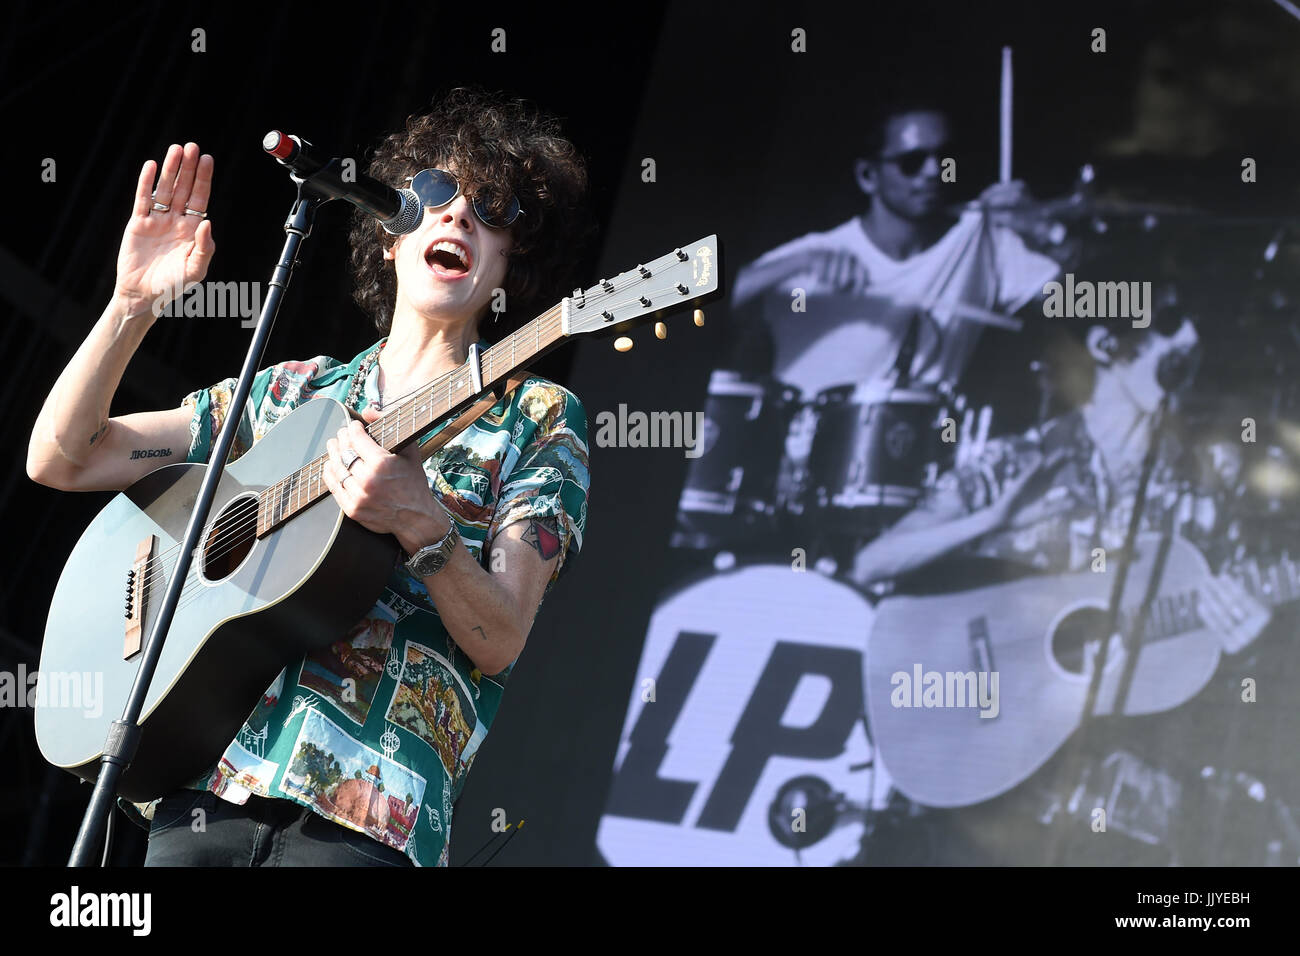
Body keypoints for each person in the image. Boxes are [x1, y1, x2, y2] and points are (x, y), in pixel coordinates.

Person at [26, 87, 592, 867]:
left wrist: (423, 524)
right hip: (208, 784)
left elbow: (501, 638)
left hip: (371, 815)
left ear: (508, 269)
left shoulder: (535, 415)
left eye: (491, 209)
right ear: (391, 236)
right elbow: (65, 454)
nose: (458, 216)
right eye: (434, 195)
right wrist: (131, 306)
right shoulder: (288, 393)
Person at [727, 103, 1061, 398]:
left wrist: (1046, 230)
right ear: (868, 176)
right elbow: (677, 296)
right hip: (804, 456)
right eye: (912, 162)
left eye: (943, 158)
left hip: (928, 457)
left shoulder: (980, 238)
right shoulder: (818, 253)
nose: (933, 171)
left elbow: (1082, 305)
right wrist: (795, 264)